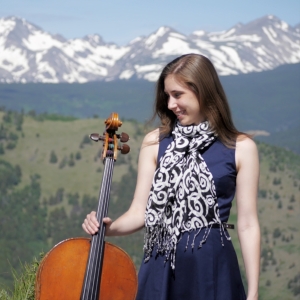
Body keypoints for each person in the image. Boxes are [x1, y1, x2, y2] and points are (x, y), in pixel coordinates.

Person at [82, 54, 260, 300]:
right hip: (159, 266)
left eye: (177, 95)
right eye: (167, 95)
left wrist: (252, 293)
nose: (170, 104)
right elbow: (139, 213)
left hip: (212, 269)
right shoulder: (154, 142)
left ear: (203, 91)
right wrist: (108, 228)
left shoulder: (241, 147)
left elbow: (248, 224)